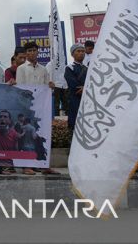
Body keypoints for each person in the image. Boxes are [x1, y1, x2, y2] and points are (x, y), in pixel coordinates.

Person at [14, 42, 60, 175]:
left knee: (43, 135)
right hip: (27, 108)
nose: (32, 53)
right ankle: (26, 166)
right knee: (27, 137)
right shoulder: (21, 69)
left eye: (34, 50)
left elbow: (46, 88)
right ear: (26, 53)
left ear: (38, 52)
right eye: (29, 51)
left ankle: (44, 165)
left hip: (41, 108)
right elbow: (20, 89)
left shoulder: (43, 69)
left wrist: (50, 85)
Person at [64, 44, 87, 130]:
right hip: (74, 100)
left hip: (87, 100)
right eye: (78, 51)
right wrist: (85, 88)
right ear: (72, 54)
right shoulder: (69, 68)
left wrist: (85, 88)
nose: (81, 53)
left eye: (83, 51)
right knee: (75, 124)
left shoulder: (88, 68)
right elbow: (73, 85)